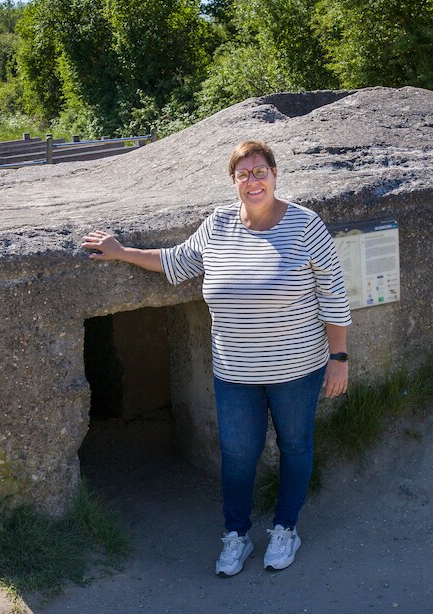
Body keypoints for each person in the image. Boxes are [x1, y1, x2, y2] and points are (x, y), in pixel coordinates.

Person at [81, 140, 352, 576]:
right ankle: (236, 535)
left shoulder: (306, 226)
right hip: (235, 372)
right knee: (238, 455)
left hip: (297, 369)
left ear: (275, 174)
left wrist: (338, 358)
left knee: (296, 446)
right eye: (243, 174)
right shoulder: (220, 224)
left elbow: (334, 297)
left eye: (260, 170)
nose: (253, 180)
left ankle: (286, 528)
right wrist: (121, 251)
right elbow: (177, 262)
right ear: (233, 182)